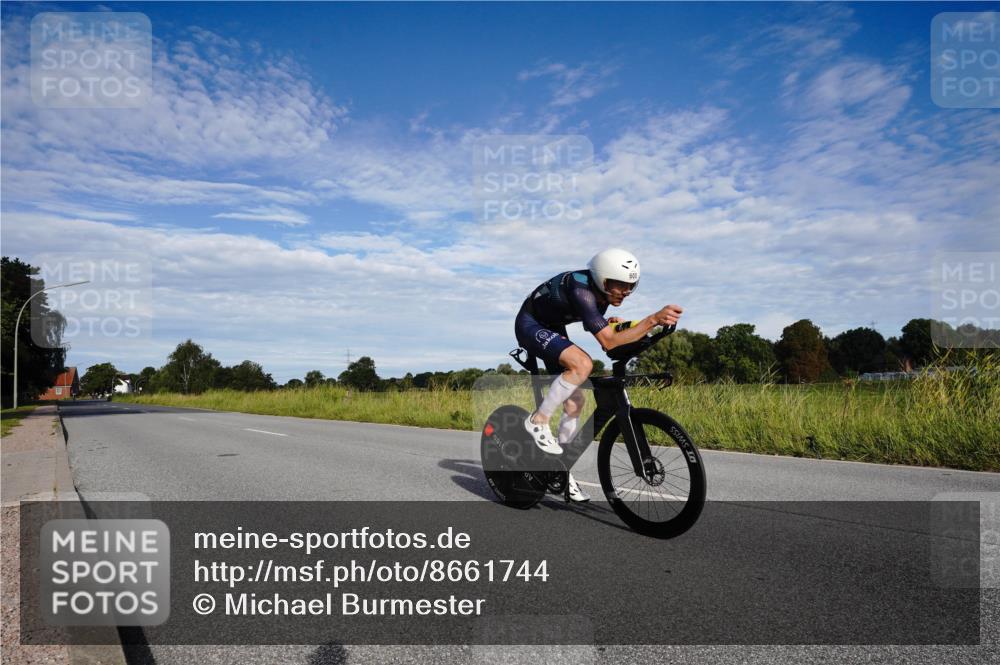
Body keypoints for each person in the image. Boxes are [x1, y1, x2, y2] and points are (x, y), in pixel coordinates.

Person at [514, 248, 684, 502]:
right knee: (582, 364)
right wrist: (651, 320)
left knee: (575, 401)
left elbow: (608, 341)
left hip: (552, 326)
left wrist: (632, 328)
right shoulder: (581, 291)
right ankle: (538, 420)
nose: (626, 292)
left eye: (631, 286)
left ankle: (560, 469)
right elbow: (610, 342)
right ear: (604, 280)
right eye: (621, 286)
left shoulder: (602, 295)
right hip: (530, 324)